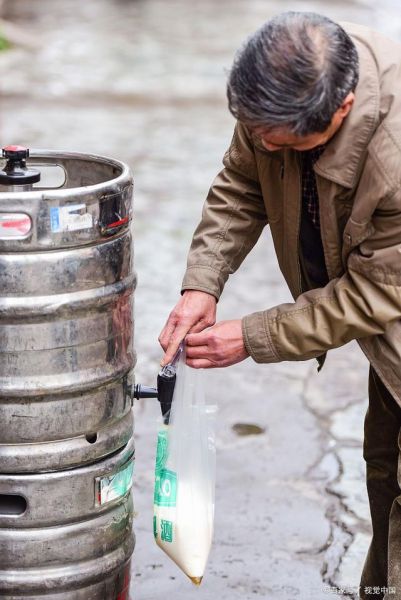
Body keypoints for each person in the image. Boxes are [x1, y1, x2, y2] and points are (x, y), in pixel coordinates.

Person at [158, 12, 401, 599]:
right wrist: (203, 283)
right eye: (255, 129)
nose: (264, 144)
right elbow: (241, 182)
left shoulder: (392, 157)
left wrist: (255, 336)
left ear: (340, 110)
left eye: (282, 141)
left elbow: (378, 290)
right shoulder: (281, 88)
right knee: (385, 473)